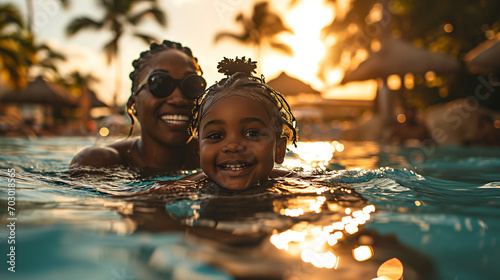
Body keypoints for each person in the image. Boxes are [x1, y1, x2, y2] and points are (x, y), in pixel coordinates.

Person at [149, 57, 298, 191]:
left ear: (279, 150)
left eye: (252, 133)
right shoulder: (175, 190)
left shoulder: (299, 184)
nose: (233, 146)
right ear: (199, 149)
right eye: (216, 135)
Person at [70, 40, 206, 175]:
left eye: (192, 85)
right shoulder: (98, 163)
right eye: (159, 84)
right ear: (133, 105)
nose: (178, 99)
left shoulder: (215, 157)